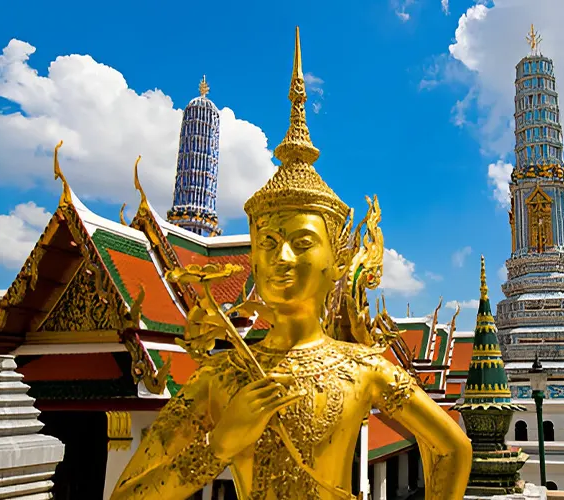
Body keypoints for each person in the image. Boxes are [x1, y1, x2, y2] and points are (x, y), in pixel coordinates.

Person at [109, 27, 471, 500]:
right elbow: (127, 495)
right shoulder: (222, 376)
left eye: (301, 242)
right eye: (268, 242)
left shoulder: (364, 367)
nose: (280, 258)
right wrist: (219, 445)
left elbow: (454, 448)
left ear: (338, 260)